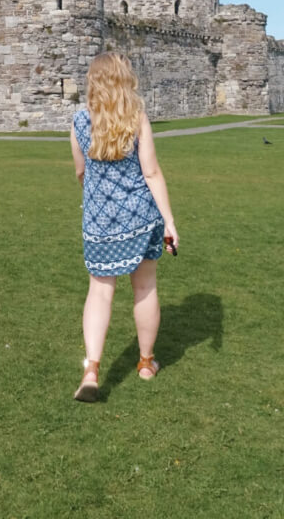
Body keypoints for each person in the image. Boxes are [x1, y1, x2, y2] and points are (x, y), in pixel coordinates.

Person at [70, 52, 178, 402]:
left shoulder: (79, 122)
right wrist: (169, 221)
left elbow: (81, 172)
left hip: (100, 220)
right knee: (144, 286)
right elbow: (151, 172)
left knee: (100, 291)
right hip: (140, 217)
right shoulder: (137, 119)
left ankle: (91, 370)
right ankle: (146, 363)